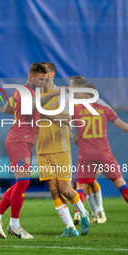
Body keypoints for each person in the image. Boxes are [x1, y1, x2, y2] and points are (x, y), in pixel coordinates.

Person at [0, 63, 62, 239]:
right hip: (18, 140)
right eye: (41, 79)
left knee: (20, 183)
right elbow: (31, 107)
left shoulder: (24, 92)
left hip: (24, 141)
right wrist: (53, 94)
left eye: (46, 79)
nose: (44, 82)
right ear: (31, 77)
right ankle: (14, 225)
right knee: (23, 182)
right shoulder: (25, 91)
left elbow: (7, 108)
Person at [33, 62, 90, 237]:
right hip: (42, 148)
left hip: (60, 147)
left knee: (65, 189)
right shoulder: (35, 95)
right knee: (53, 189)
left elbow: (69, 118)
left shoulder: (62, 94)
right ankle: (70, 228)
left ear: (50, 75)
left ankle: (84, 213)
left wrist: (46, 114)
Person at [72, 83, 128, 218]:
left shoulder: (76, 110)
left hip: (85, 155)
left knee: (81, 186)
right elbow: (125, 127)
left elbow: (62, 120)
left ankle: (78, 214)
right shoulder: (104, 110)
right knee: (120, 183)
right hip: (104, 153)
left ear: (85, 95)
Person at [69, 75, 106, 224]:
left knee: (85, 182)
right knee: (85, 182)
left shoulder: (94, 105)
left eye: (71, 86)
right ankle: (94, 213)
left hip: (95, 150)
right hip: (84, 150)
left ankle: (93, 212)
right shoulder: (74, 104)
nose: (69, 88)